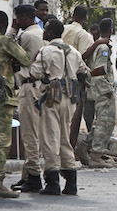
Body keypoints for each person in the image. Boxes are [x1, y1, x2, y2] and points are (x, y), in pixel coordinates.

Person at [30, 19, 90, 195]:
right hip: (70, 99)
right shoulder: (74, 52)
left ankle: (53, 182)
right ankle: (71, 183)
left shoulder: (45, 51)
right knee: (65, 138)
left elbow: (35, 73)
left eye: (46, 30)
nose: (43, 32)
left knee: (50, 139)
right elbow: (83, 72)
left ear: (50, 32)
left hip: (51, 99)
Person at [0, 11, 31, 198]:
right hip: (2, 98)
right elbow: (26, 59)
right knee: (0, 140)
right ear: (7, 23)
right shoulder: (5, 42)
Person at [7, 5, 46, 193]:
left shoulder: (27, 36)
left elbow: (6, 48)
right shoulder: (40, 33)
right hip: (40, 87)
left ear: (23, 17)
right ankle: (27, 175)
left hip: (28, 86)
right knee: (34, 134)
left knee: (29, 135)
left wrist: (12, 30)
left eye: (18, 18)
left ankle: (34, 176)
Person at [62, 6, 107, 148]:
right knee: (74, 118)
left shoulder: (63, 28)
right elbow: (81, 56)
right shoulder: (83, 35)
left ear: (73, 15)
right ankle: (70, 148)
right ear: (85, 19)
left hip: (58, 76)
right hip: (75, 78)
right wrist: (97, 43)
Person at [76, 18, 116, 168]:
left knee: (100, 123)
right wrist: (107, 90)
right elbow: (100, 71)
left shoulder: (98, 46)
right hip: (102, 91)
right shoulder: (103, 48)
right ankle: (96, 156)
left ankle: (85, 145)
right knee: (105, 123)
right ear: (111, 30)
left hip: (96, 90)